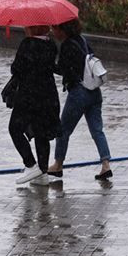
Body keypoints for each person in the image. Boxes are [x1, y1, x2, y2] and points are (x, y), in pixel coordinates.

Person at [48, 19, 112, 180]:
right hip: (95, 92)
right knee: (97, 130)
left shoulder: (67, 46)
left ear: (62, 29)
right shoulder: (83, 41)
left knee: (63, 130)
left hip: (79, 93)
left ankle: (58, 165)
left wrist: (49, 65)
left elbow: (64, 70)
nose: (52, 31)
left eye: (54, 28)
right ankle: (106, 165)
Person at [9, 25, 62, 186]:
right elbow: (50, 66)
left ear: (32, 27)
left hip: (29, 95)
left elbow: (16, 69)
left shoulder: (28, 44)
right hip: (48, 95)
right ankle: (43, 172)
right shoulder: (50, 44)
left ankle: (31, 164)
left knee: (15, 128)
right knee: (41, 132)